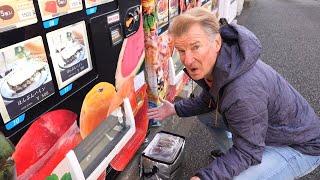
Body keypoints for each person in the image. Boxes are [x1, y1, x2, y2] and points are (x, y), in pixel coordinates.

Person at [147, 7, 320, 180]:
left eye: (195, 47)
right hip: (263, 130)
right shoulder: (223, 63)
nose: (188, 59)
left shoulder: (242, 91)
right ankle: (232, 155)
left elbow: (249, 151)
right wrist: (175, 109)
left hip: (299, 146)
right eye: (182, 51)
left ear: (216, 43)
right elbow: (208, 101)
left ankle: (237, 159)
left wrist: (205, 177)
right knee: (207, 116)